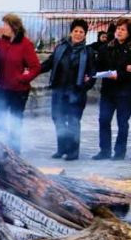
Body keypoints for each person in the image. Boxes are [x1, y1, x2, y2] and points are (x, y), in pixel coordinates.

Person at [41, 18, 97, 160]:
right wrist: (33, 70)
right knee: (58, 119)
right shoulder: (61, 48)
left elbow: (92, 74)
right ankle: (62, 148)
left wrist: (86, 84)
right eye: (76, 31)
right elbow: (48, 63)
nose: (78, 34)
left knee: (73, 121)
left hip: (76, 92)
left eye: (81, 32)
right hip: (59, 90)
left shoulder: (88, 52)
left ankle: (73, 151)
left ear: (85, 35)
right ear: (71, 32)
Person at [93, 17, 131, 160]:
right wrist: (122, 68)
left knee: (122, 122)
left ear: (130, 32)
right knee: (104, 120)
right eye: (118, 29)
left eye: (123, 29)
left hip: (126, 92)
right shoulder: (107, 47)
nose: (119, 32)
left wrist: (118, 73)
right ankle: (104, 150)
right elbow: (100, 67)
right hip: (108, 90)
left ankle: (120, 152)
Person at [0, 13, 41, 151]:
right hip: (1, 87)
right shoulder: (1, 43)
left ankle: (14, 150)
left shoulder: (26, 44)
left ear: (13, 27)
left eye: (5, 25)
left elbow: (36, 67)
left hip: (18, 91)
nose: (3, 28)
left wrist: (23, 78)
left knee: (15, 121)